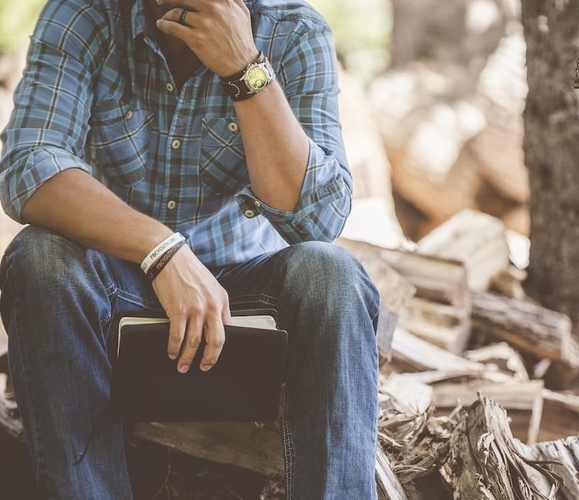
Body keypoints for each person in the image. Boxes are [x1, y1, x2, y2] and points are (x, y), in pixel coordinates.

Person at [0, 0, 380, 497]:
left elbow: (319, 219)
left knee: (333, 276)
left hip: (245, 301)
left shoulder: (294, 30)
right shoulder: (84, 15)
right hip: (117, 290)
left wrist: (245, 70)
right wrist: (161, 249)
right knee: (39, 258)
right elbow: (28, 166)